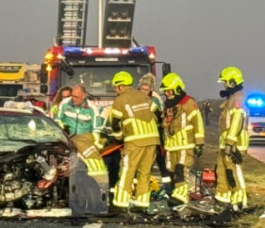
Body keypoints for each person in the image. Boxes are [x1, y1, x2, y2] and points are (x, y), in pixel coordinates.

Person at [104, 70, 160, 212]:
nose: (115, 90)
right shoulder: (143, 96)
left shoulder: (120, 100)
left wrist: (118, 137)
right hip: (152, 139)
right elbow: (158, 114)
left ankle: (120, 204)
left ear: (121, 86)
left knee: (127, 171)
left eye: (115, 87)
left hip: (135, 140)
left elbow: (115, 123)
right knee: (145, 172)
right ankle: (141, 204)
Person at [160, 73, 204, 202]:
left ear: (177, 88)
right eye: (165, 91)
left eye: (169, 90)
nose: (167, 93)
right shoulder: (168, 105)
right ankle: (178, 196)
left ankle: (180, 197)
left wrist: (199, 143)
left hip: (185, 145)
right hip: (171, 145)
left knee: (181, 170)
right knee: (172, 171)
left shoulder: (188, 103)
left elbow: (198, 122)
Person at [216, 67, 250, 210]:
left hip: (235, 143)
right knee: (222, 170)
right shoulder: (232, 98)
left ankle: (240, 199)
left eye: (225, 82)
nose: (223, 85)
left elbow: (237, 121)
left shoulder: (238, 98)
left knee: (233, 171)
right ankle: (223, 198)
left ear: (231, 81)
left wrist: (230, 143)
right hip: (227, 143)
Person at [53, 84, 104, 174]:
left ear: (83, 96)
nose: (73, 98)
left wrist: (95, 145)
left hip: (84, 141)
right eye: (72, 96)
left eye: (76, 97)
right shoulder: (65, 103)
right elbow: (57, 120)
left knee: (85, 165)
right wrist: (63, 129)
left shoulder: (92, 108)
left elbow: (96, 129)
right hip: (67, 140)